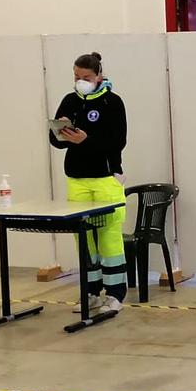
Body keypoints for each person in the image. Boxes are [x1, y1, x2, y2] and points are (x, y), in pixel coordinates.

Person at [50, 52, 129, 314]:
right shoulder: (69, 101)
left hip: (106, 178)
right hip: (77, 178)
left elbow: (118, 142)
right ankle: (91, 292)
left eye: (86, 77)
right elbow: (55, 140)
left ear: (98, 76)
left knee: (109, 239)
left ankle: (115, 294)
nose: (80, 81)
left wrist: (87, 140)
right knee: (84, 239)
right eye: (76, 77)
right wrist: (61, 133)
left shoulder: (112, 102)